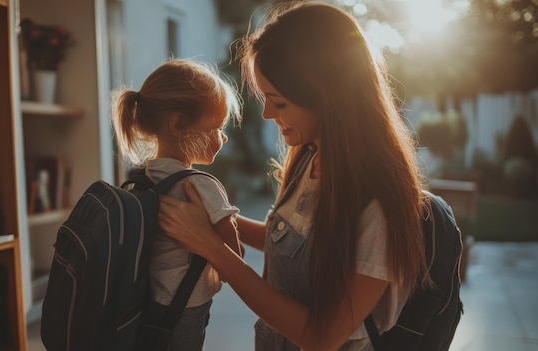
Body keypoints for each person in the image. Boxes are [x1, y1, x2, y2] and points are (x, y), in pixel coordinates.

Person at [158, 2, 434, 351]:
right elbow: (283, 241)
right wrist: (205, 214)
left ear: (327, 95)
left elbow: (323, 337)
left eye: (279, 101)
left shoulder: (377, 200)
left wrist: (213, 248)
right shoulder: (309, 156)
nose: (267, 112)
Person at [111, 57, 243, 351]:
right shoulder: (202, 185)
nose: (222, 137)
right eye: (216, 128)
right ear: (180, 124)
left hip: (149, 299)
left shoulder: (143, 177)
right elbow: (235, 252)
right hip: (186, 303)